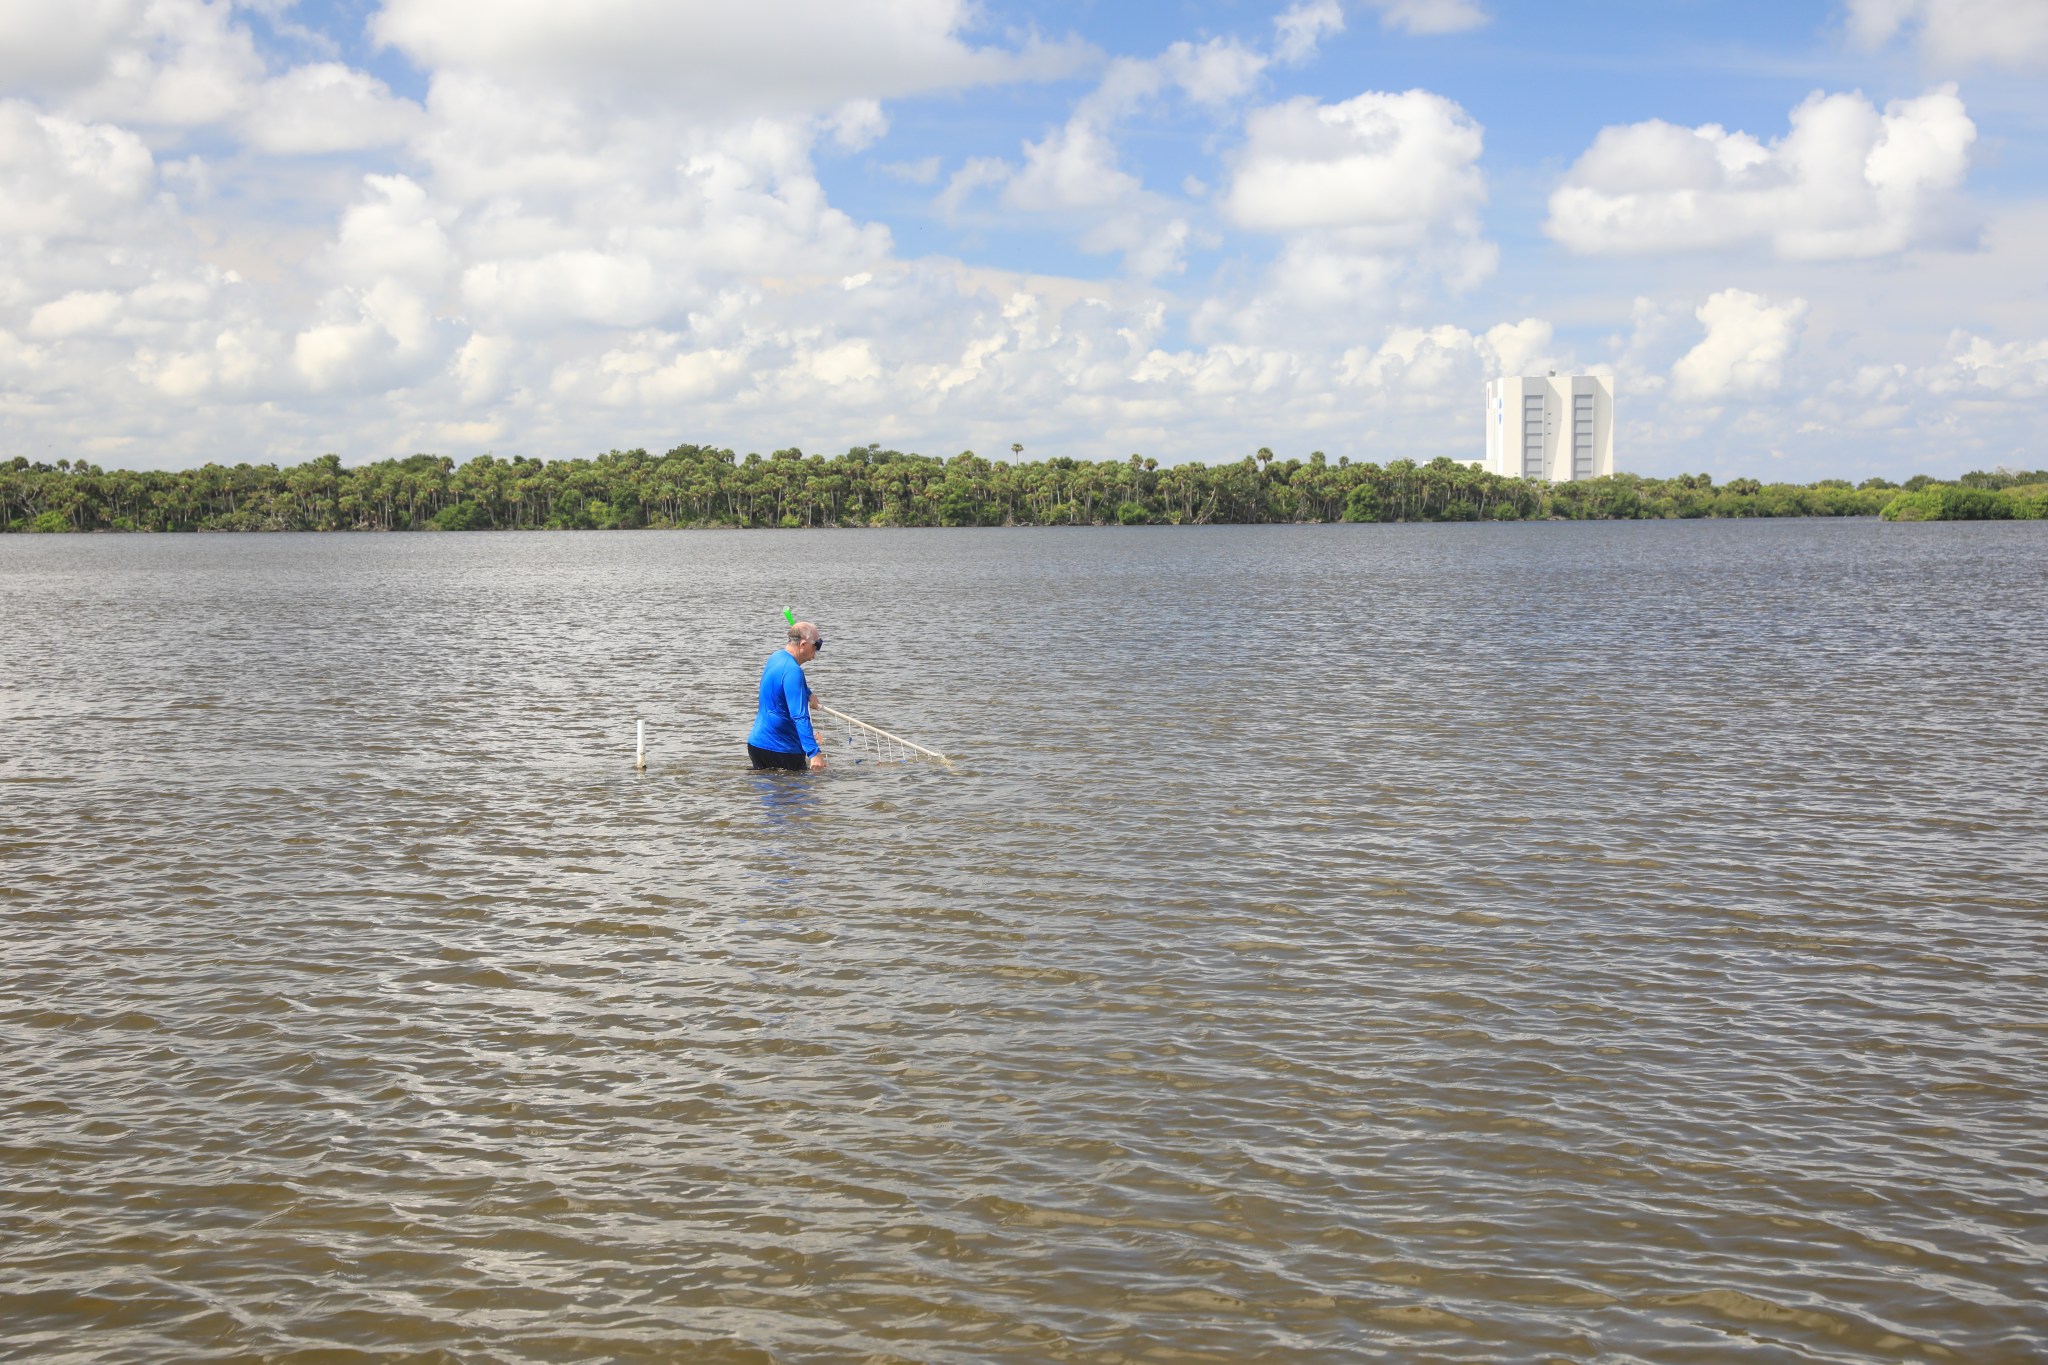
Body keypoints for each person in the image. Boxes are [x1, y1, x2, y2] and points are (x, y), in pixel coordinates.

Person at [747, 621, 826, 771]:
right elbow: (799, 716)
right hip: (782, 750)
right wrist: (814, 753)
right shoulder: (793, 671)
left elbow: (783, 682)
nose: (817, 650)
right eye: (817, 645)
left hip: (757, 745)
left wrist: (807, 693)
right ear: (803, 644)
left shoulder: (776, 657)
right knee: (800, 793)